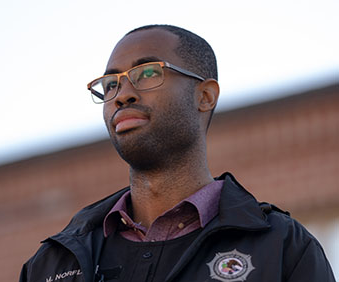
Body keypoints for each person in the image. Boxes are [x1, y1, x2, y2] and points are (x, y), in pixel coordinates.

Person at [20, 24, 335, 282]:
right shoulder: (52, 263)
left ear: (205, 96)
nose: (122, 95)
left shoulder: (282, 246)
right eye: (111, 84)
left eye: (146, 73)